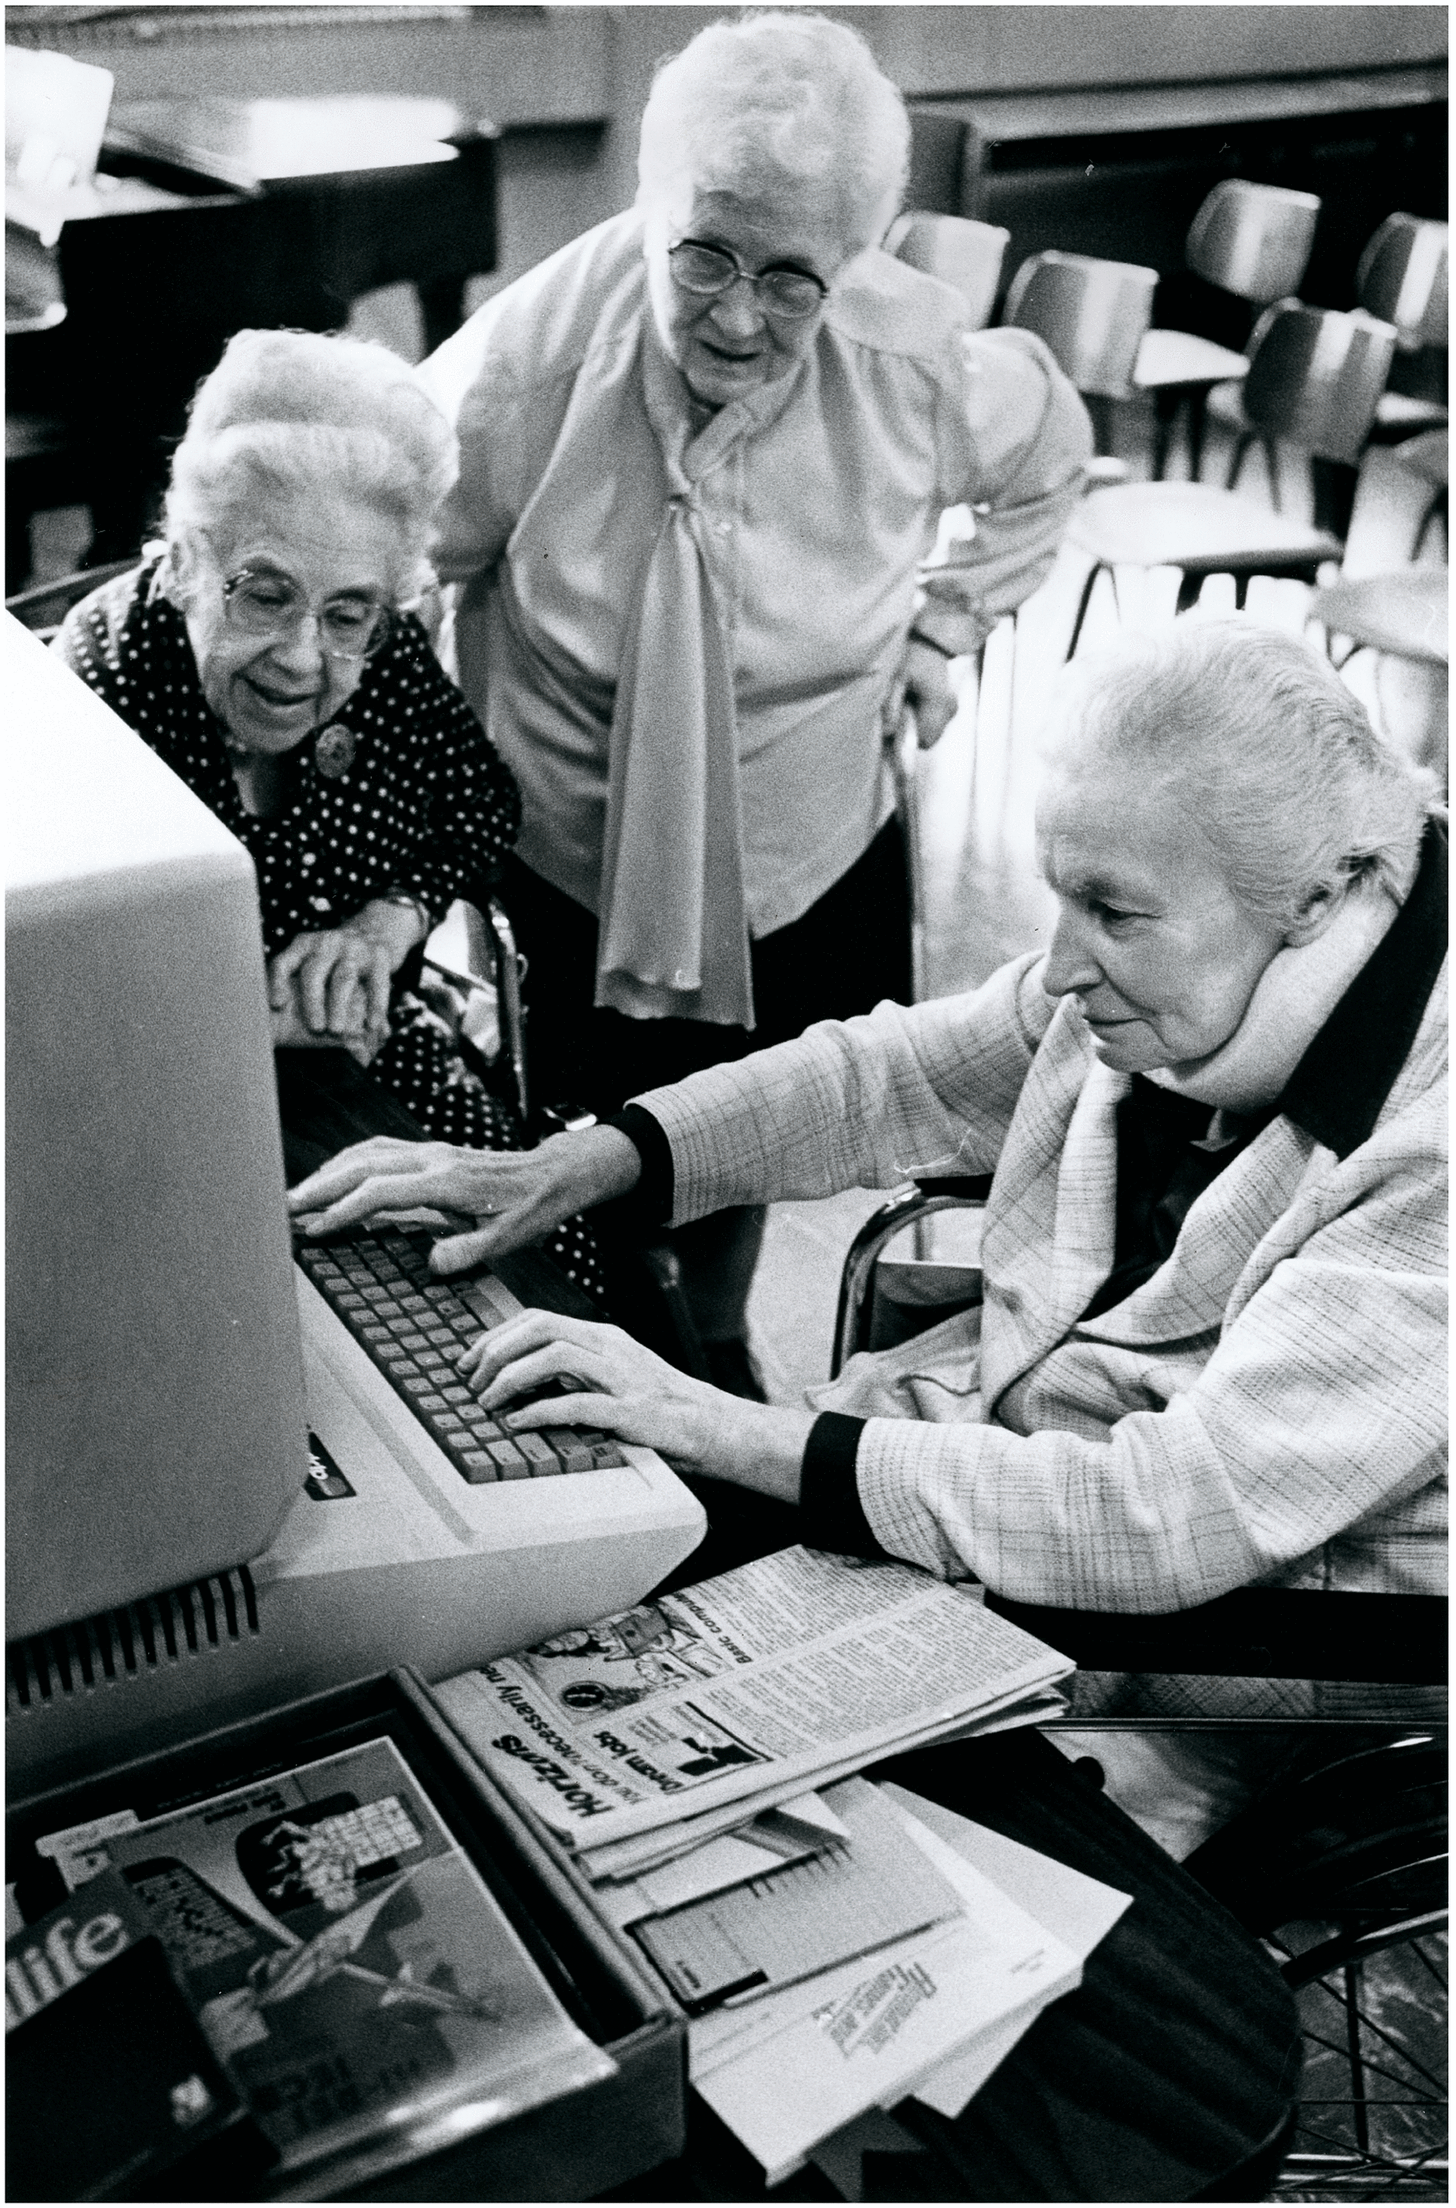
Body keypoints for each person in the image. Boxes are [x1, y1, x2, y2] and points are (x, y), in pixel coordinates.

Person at [290, 621, 1447, 1848]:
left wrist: (717, 1421)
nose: (1057, 969)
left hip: (1256, 1648)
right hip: (1019, 1478)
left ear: (1316, 900)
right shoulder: (1206, 957)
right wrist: (569, 1167)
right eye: (1061, 897)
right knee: (585, 1611)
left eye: (1111, 912)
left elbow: (1168, 1522)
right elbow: (885, 1080)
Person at [416, 9, 1091, 1392]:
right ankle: (599, 1355)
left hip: (800, 835)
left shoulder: (916, 366)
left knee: (748, 1121)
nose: (738, 313)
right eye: (705, 254)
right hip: (574, 838)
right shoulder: (519, 372)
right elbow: (398, 569)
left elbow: (1052, 454)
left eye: (792, 277)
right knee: (575, 1148)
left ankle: (709, 1334)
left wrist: (939, 630)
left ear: (853, 260)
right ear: (651, 207)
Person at [55, 326, 602, 1299]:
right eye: (264, 597)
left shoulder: (377, 648)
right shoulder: (104, 696)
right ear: (186, 559)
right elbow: (69, 1013)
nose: (305, 656)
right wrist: (260, 1012)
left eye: (345, 614)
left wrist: (392, 915)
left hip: (367, 1056)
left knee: (536, 1257)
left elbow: (479, 801)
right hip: (158, 1104)